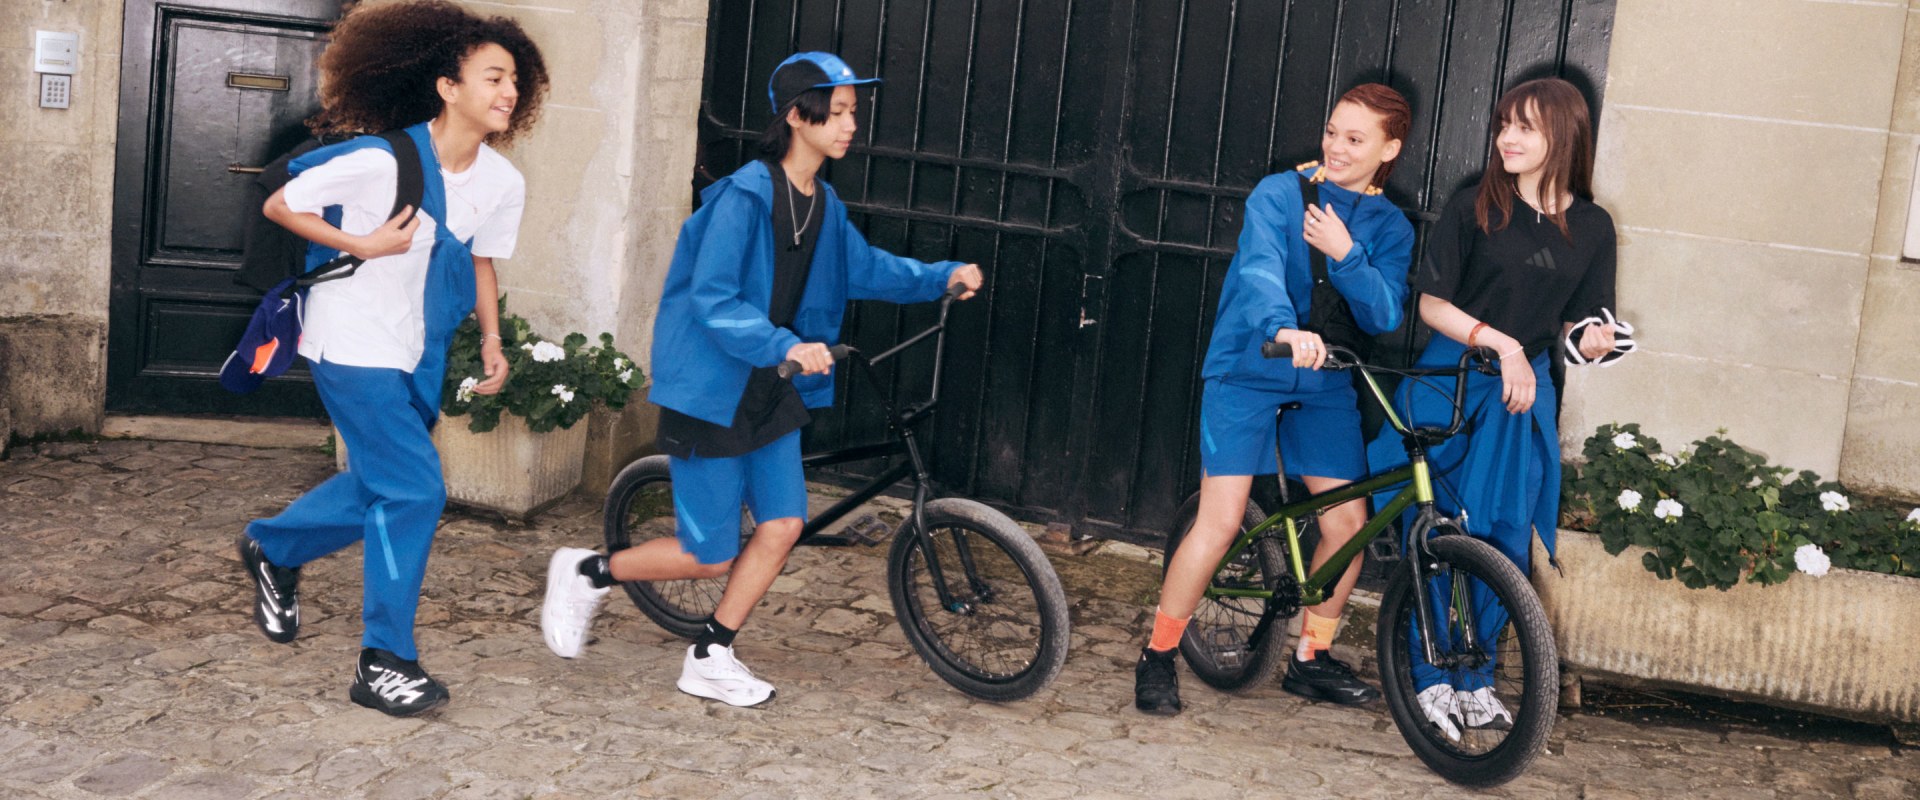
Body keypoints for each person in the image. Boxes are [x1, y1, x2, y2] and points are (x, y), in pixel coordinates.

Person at [538, 52, 984, 707]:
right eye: (837, 112)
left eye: (853, 113)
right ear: (798, 116)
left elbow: (865, 268)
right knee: (708, 554)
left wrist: (941, 275)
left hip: (769, 388)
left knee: (782, 524)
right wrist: (788, 344)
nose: (850, 125)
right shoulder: (745, 199)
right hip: (712, 389)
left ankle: (710, 653)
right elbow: (712, 300)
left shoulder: (823, 203)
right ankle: (588, 570)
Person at [236, 0, 547, 716]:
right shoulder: (381, 158)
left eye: (514, 82)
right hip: (352, 341)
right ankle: (384, 662)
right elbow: (282, 205)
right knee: (414, 489)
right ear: (447, 86)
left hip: (419, 348)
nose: (508, 93)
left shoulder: (503, 182)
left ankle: (275, 546)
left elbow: (482, 265)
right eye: (493, 77)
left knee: (382, 481)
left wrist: (494, 342)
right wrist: (363, 244)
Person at [1135, 84, 1416, 716]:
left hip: (1325, 383)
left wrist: (1345, 254)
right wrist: (1281, 329)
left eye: (1355, 138)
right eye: (1332, 131)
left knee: (1347, 526)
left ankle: (1309, 659)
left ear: (1388, 148)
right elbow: (1260, 269)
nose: (1336, 147)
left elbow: (1387, 311)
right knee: (1222, 520)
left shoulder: (1390, 225)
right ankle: (1157, 655)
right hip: (1251, 367)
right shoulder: (1279, 193)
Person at [1365, 77, 1617, 739]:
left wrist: (1591, 342)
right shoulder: (1475, 205)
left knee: (1501, 536)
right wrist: (1502, 343)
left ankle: (1473, 679)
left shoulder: (1592, 227)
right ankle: (1430, 677)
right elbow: (1432, 305)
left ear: (1564, 136)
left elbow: (1577, 324)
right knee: (1445, 530)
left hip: (1519, 393)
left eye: (1526, 127)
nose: (1508, 137)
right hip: (1455, 382)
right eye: (1504, 122)